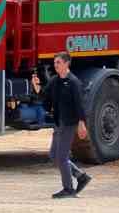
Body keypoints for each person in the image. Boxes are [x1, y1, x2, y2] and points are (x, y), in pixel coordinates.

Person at [31, 53, 91, 199]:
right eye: (55, 62)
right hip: (59, 123)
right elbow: (44, 97)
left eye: (58, 62)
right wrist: (37, 87)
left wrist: (82, 123)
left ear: (66, 63)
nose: (55, 65)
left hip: (69, 123)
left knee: (62, 157)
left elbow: (80, 105)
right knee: (54, 155)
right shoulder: (55, 80)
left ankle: (68, 189)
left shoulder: (74, 82)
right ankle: (80, 176)